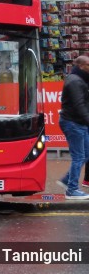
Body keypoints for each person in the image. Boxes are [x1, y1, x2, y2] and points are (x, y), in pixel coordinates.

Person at [56, 55, 89, 200]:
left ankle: (66, 181)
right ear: (82, 66)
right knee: (79, 156)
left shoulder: (79, 79)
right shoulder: (75, 81)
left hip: (78, 123)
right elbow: (79, 105)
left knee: (86, 154)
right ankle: (72, 190)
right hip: (73, 123)